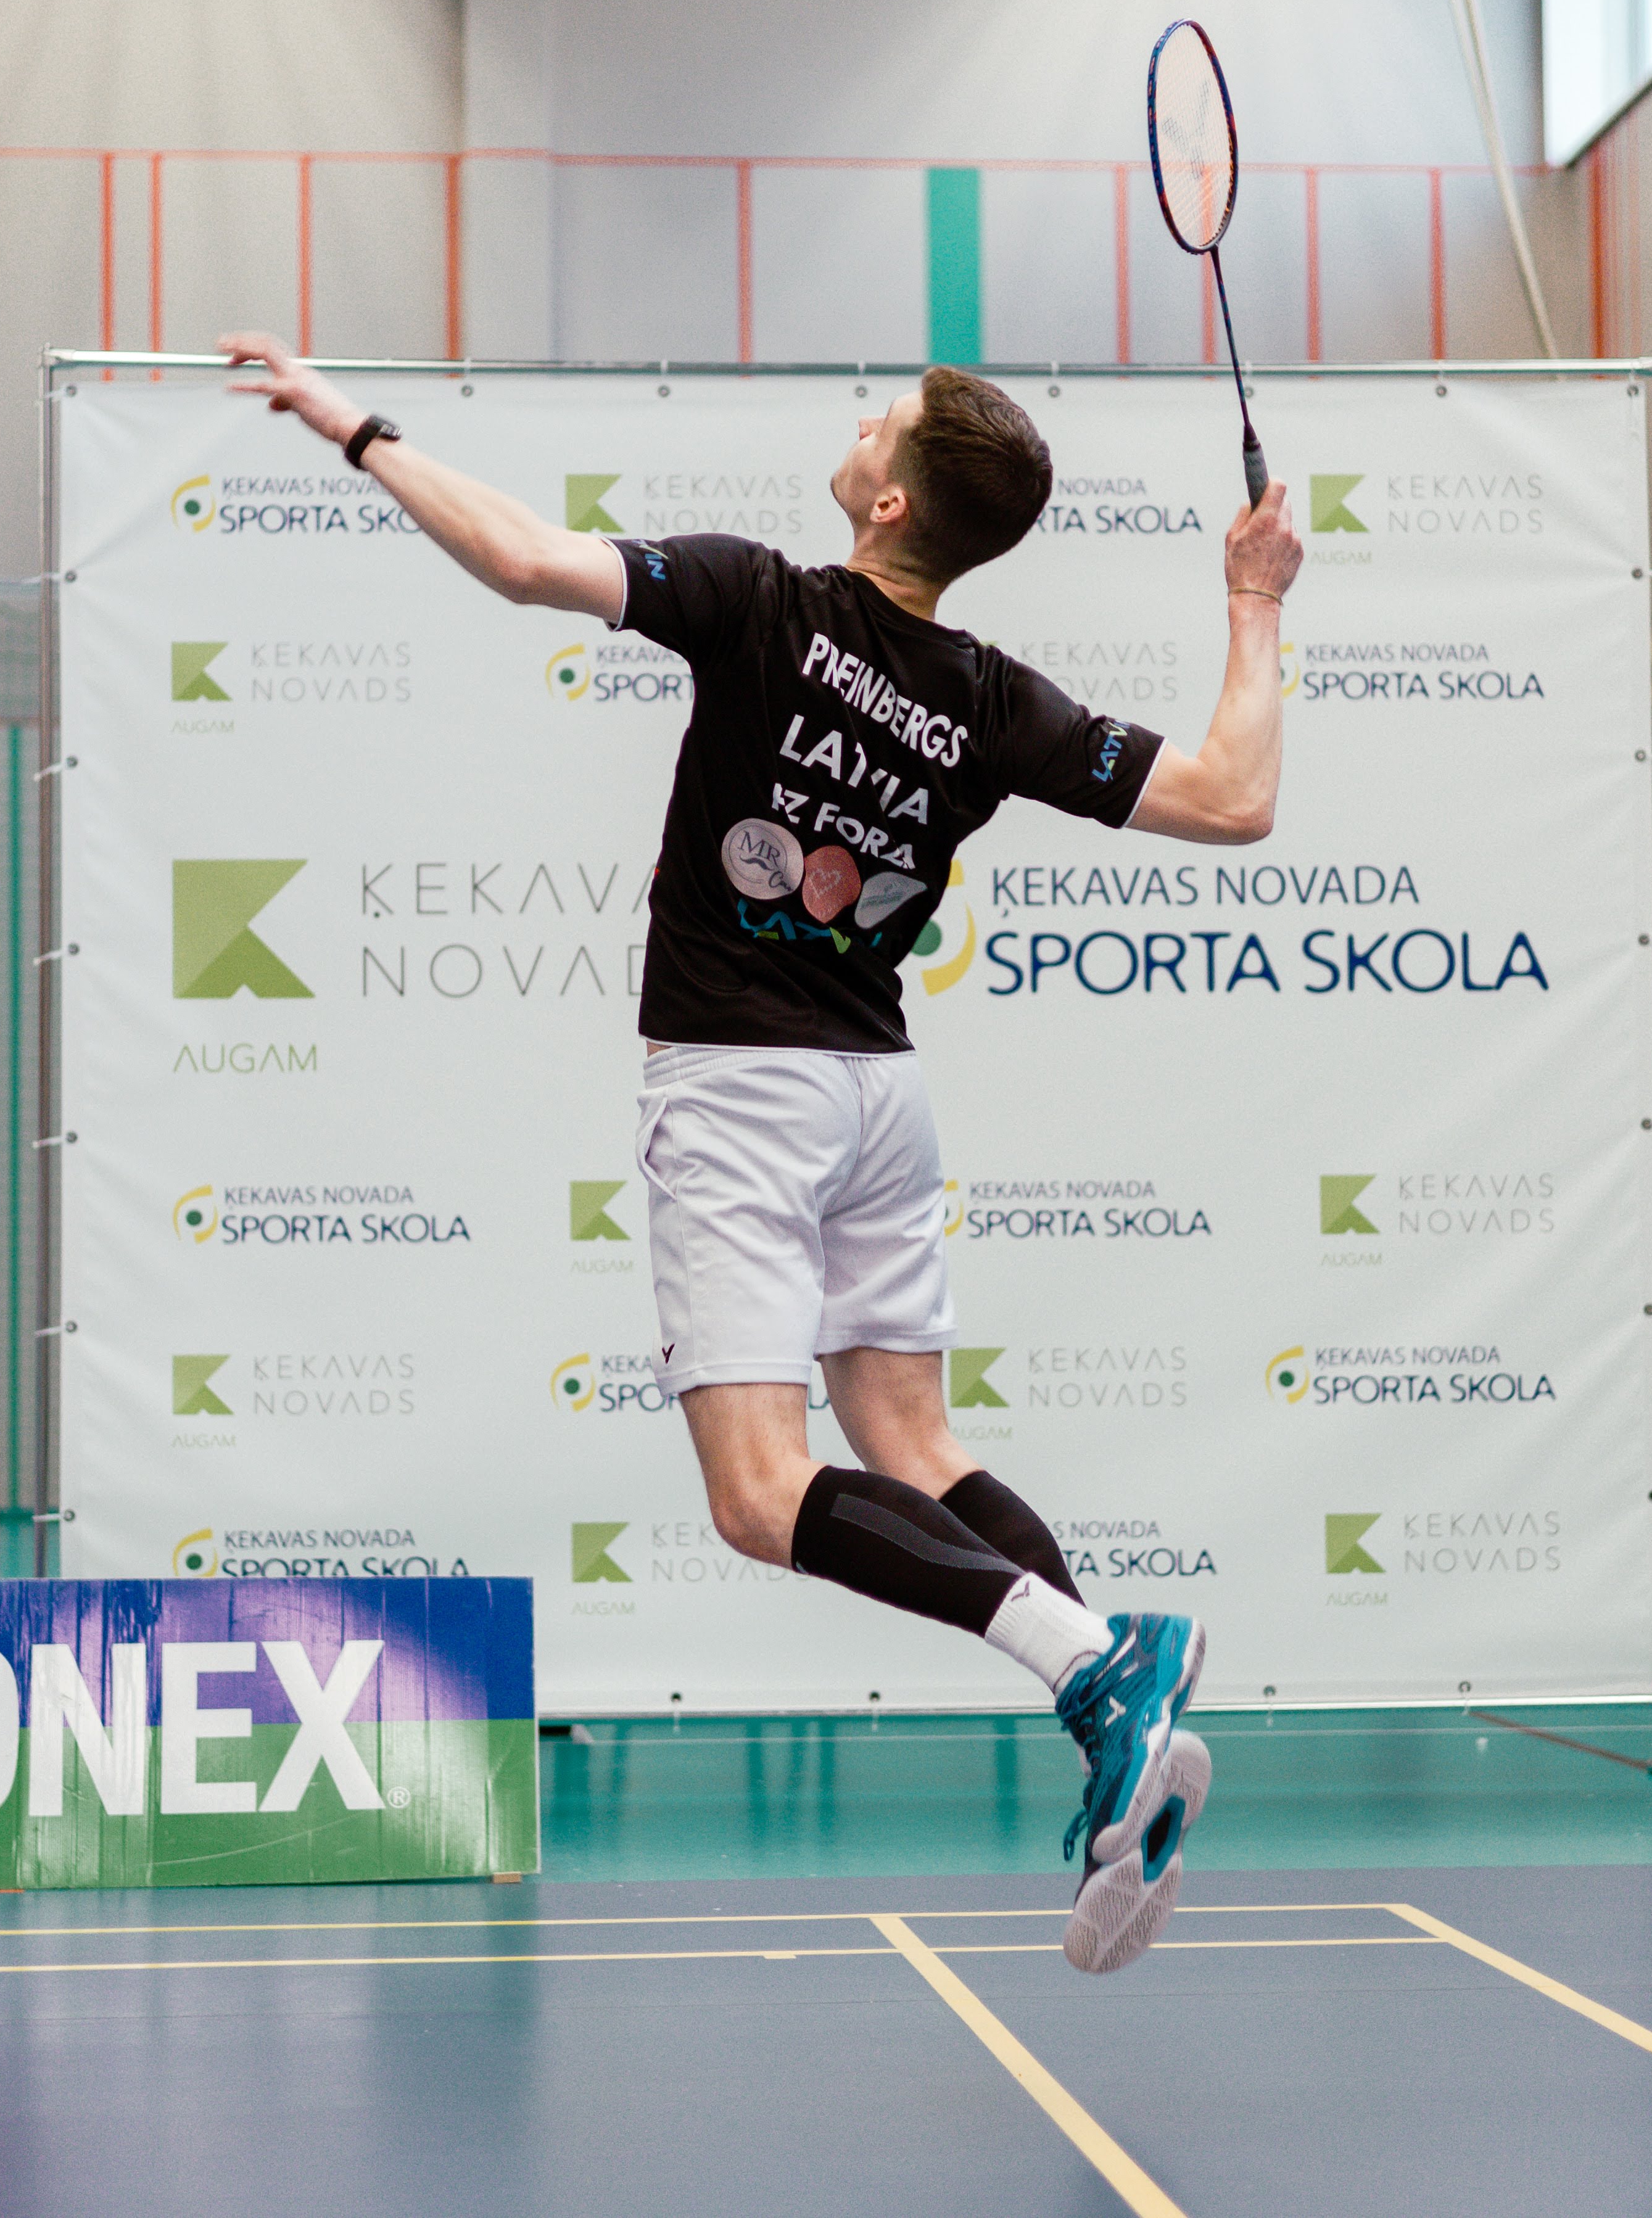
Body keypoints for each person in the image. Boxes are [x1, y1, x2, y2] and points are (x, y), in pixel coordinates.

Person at [221, 335, 1303, 1973]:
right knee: (911, 1442)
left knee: (755, 1494)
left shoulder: (756, 599)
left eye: (886, 418)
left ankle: (1101, 1670)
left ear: (888, 500)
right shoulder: (990, 699)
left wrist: (354, 427)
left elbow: (519, 559)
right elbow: (1232, 800)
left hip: (739, 1093)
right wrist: (1253, 600)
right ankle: (1117, 1731)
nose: (863, 419)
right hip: (877, 1095)